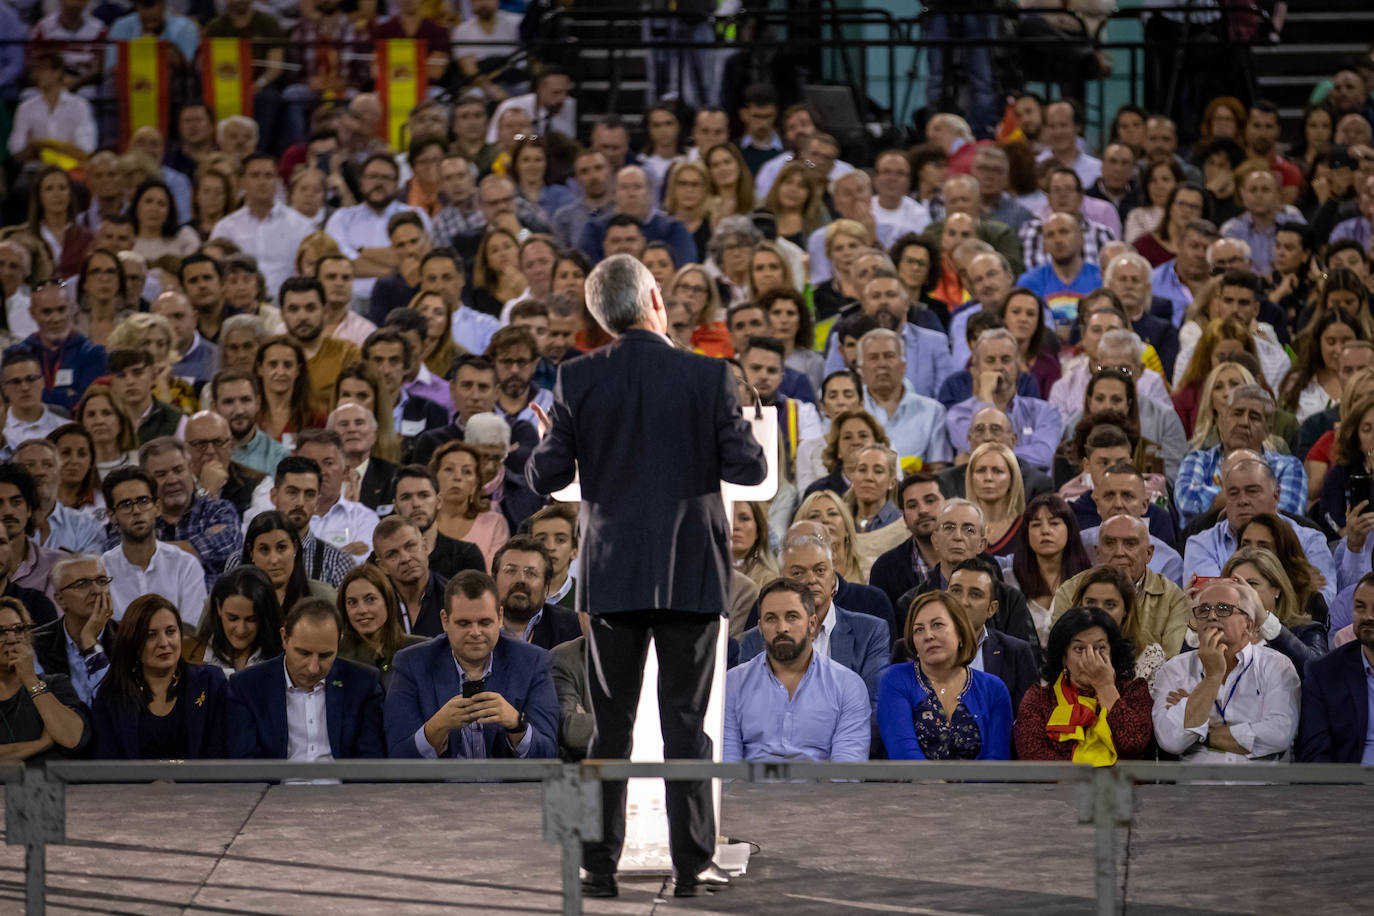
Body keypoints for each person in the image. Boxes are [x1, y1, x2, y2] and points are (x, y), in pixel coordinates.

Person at [527, 253, 766, 899]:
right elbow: (748, 469)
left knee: (611, 726)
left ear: (602, 317)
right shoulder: (708, 375)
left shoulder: (576, 377)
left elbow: (546, 476)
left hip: (614, 577)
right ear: (655, 300)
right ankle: (692, 867)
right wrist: (731, 425)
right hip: (691, 574)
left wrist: (553, 438)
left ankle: (598, 866)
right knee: (686, 725)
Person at [383, 569, 560, 759]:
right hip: (440, 780)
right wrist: (437, 726)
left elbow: (548, 754)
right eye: (464, 623)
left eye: (484, 622)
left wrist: (516, 724)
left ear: (500, 618)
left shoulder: (533, 662)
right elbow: (398, 757)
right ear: (445, 620)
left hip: (508, 780)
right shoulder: (411, 664)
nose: (475, 632)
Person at [1151, 578, 1301, 763]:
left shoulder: (1276, 665)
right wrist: (1212, 678)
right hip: (1196, 782)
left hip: (1260, 781)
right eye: (1203, 610)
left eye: (1224, 608)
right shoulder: (1174, 670)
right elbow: (1171, 741)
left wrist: (1203, 732)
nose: (1212, 616)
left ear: (1249, 625)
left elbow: (1279, 735)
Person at [723, 577, 871, 763]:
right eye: (771, 619)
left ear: (812, 624)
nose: (782, 628)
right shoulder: (732, 684)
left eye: (792, 617)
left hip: (821, 783)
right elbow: (726, 767)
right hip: (748, 782)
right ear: (760, 628)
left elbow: (847, 768)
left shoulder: (848, 686)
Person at [737, 526, 888, 705]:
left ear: (833, 576)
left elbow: (873, 705)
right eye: (798, 573)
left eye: (820, 570)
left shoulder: (870, 632)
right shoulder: (753, 641)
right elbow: (748, 707)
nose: (811, 579)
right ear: (781, 579)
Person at [226, 597, 386, 760]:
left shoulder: (363, 683)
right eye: (304, 653)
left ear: (339, 642)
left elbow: (370, 761)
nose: (313, 668)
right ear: (284, 638)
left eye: (325, 655)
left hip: (343, 778)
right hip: (275, 778)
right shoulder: (247, 686)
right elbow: (246, 765)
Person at [877, 591, 1013, 761]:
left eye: (938, 625)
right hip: (912, 779)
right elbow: (904, 754)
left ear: (960, 631)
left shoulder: (994, 689)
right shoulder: (896, 679)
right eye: (919, 629)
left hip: (981, 780)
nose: (928, 636)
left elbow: (996, 760)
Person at [1182, 454, 1336, 601]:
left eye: (1252, 491)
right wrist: (1296, 582)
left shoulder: (1311, 540)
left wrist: (1231, 586)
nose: (1242, 500)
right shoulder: (1201, 544)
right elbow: (1211, 600)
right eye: (1233, 493)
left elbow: (1323, 601)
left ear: (1276, 495)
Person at [91, 594, 227, 759]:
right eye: (151, 635)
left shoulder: (211, 682)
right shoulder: (112, 695)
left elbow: (220, 756)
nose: (164, 643)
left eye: (170, 632)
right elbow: (107, 764)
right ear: (132, 642)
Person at [1013, 606, 1154, 764]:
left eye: (1100, 648)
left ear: (1112, 654)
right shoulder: (1039, 699)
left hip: (1125, 780)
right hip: (1060, 781)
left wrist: (1105, 687)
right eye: (1079, 649)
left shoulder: (1134, 691)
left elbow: (1133, 743)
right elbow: (1036, 760)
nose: (1090, 657)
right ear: (1064, 657)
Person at [1053, 513, 1191, 658]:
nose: (1119, 552)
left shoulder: (1173, 598)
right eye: (1109, 543)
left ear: (1149, 553)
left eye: (1130, 544)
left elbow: (1172, 663)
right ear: (1097, 552)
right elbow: (1060, 655)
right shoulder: (1069, 591)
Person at [1176, 385, 1308, 523]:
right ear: (1221, 422)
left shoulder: (1288, 467)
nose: (1244, 422)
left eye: (1254, 417)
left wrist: (1222, 498)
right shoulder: (1198, 460)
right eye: (1237, 413)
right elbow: (1187, 502)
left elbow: (1287, 515)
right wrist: (1258, 498)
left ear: (1267, 431)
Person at [100, 467, 207, 626]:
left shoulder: (185, 565)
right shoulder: (102, 571)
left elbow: (191, 631)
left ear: (157, 507)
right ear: (111, 515)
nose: (136, 511)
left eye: (143, 501)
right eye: (125, 504)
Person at [139, 438, 242, 592]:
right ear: (146, 481)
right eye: (161, 474)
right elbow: (121, 557)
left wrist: (146, 551)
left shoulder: (219, 510)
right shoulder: (136, 517)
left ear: (191, 469)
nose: (172, 480)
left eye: (178, 470)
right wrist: (195, 547)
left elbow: (228, 547)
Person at [0, 595, 90, 762]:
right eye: (1, 632)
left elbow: (73, 739)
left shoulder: (55, 685)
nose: (11, 639)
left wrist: (31, 680)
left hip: (51, 779)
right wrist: (41, 744)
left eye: (18, 629)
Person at [1297, 571, 1374, 762]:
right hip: (1350, 778)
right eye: (1360, 607)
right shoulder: (1325, 673)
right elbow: (1314, 754)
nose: (1368, 616)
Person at [1007, 493, 1092, 649]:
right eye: (1036, 525)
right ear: (1026, 533)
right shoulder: (1008, 580)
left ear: (1069, 529)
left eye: (1054, 523)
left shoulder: (1088, 579)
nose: (1045, 531)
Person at [33, 554, 115, 705]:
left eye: (102, 581)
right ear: (60, 599)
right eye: (82, 584)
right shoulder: (35, 644)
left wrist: (90, 641)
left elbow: (117, 706)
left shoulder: (132, 638)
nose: (97, 590)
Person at [336, 563, 427, 687]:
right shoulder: (337, 657)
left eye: (370, 599)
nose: (362, 610)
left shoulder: (421, 650)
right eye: (352, 602)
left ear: (387, 601)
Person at [190, 566, 283, 677]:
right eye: (232, 618)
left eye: (251, 620)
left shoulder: (283, 659)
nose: (241, 629)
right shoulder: (194, 653)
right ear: (218, 607)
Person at [492, 535, 580, 650]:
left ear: (546, 588)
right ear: (493, 581)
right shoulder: (473, 622)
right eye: (511, 571)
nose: (520, 579)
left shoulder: (572, 628)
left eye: (531, 573)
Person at [241, 511, 335, 616]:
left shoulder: (324, 597)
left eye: (281, 548)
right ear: (250, 552)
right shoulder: (235, 599)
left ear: (295, 547)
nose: (274, 560)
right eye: (264, 549)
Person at [372, 516, 449, 637]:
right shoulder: (372, 605)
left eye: (410, 546)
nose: (405, 558)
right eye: (392, 554)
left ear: (425, 547)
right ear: (382, 566)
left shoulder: (452, 598)